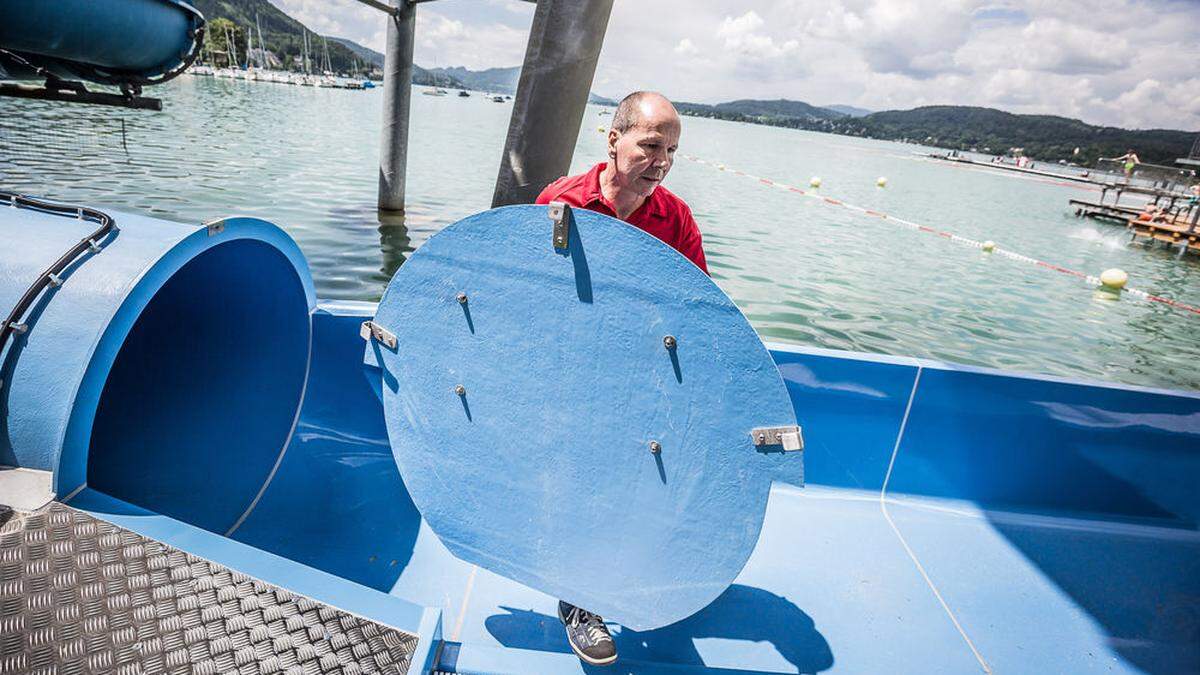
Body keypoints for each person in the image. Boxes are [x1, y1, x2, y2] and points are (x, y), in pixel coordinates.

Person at [532, 91, 708, 667]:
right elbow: (523, 290)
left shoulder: (676, 218)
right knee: (576, 479)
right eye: (651, 144)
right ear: (613, 139)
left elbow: (697, 306)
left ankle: (601, 578)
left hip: (637, 376)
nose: (662, 161)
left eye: (672, 150)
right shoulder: (561, 201)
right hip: (566, 369)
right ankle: (579, 600)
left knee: (631, 484)